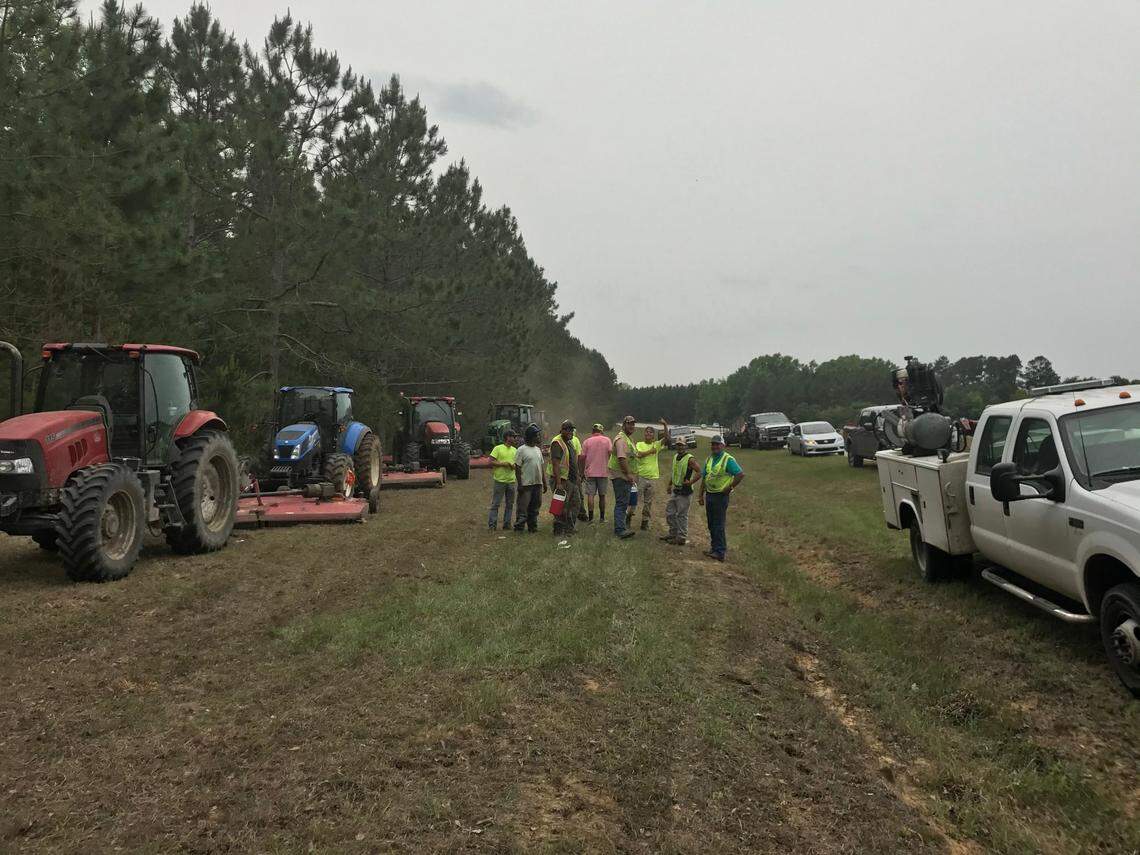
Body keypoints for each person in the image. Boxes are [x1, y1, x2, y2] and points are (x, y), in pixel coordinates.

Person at [698, 434, 744, 561]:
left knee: (718, 524)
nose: (715, 446)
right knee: (711, 523)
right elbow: (705, 477)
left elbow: (740, 474)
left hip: (720, 496)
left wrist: (729, 487)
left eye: (717, 444)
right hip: (710, 495)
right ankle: (714, 548)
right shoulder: (709, 459)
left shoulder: (728, 459)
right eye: (713, 444)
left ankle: (720, 551)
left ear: (723, 445)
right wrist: (700, 494)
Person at [631, 420, 669, 531]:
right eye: (647, 432)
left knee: (648, 502)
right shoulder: (639, 444)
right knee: (635, 499)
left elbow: (667, 438)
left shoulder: (656, 444)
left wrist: (665, 425)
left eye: (651, 432)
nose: (648, 434)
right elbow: (639, 454)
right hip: (641, 476)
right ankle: (628, 517)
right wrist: (651, 451)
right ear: (644, 434)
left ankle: (645, 522)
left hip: (653, 477)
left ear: (653, 435)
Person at [663, 436, 702, 545]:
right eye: (678, 445)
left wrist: (691, 482)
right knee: (670, 512)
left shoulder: (690, 459)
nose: (679, 447)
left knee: (681, 515)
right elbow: (674, 472)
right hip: (676, 490)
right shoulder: (676, 457)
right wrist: (669, 485)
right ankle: (673, 533)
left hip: (685, 492)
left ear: (686, 446)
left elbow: (700, 472)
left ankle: (681, 537)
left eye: (682, 445)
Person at [550, 419, 582, 535]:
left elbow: (573, 461)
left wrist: (577, 476)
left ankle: (569, 528)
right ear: (562, 430)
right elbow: (555, 464)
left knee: (575, 504)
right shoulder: (557, 443)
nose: (571, 433)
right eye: (568, 430)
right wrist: (558, 483)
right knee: (561, 506)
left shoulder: (569, 442)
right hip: (562, 480)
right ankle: (558, 530)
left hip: (571, 479)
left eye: (572, 430)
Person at [608, 415, 638, 539]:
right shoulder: (621, 439)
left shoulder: (628, 438)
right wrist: (629, 474)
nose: (631, 426)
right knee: (621, 503)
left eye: (633, 424)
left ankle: (621, 527)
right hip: (621, 475)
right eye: (629, 424)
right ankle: (620, 530)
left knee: (623, 502)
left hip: (622, 475)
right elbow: (621, 458)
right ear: (624, 425)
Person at [513, 423, 547, 533]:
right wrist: (520, 484)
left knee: (535, 506)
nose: (538, 437)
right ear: (531, 436)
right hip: (526, 485)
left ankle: (533, 527)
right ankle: (519, 527)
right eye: (537, 435)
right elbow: (517, 467)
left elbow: (541, 467)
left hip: (537, 484)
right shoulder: (521, 450)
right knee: (523, 507)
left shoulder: (538, 450)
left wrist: (544, 482)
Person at [580, 423, 612, 523]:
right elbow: (611, 453)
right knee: (602, 496)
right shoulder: (607, 440)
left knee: (590, 495)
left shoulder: (586, 442)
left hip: (590, 472)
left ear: (593, 431)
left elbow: (582, 457)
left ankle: (591, 518)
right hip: (603, 472)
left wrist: (581, 472)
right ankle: (602, 518)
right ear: (601, 431)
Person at [487, 428, 518, 530]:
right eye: (513, 436)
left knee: (510, 504)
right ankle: (492, 525)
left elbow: (517, 465)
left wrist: (514, 466)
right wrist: (503, 464)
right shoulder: (498, 448)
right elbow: (490, 461)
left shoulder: (515, 450)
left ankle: (507, 524)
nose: (515, 438)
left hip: (511, 481)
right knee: (496, 504)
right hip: (500, 481)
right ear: (508, 437)